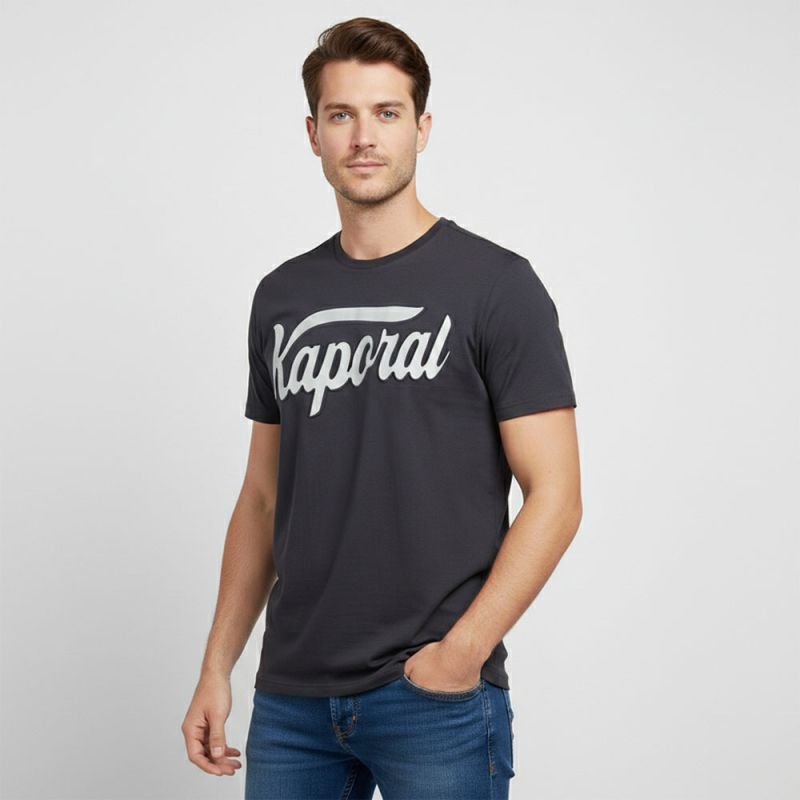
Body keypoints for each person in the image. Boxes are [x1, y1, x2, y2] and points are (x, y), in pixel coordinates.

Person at [181, 15, 582, 799]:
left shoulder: (497, 286)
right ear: (313, 133)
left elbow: (557, 496)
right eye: (342, 114)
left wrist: (462, 653)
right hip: (291, 701)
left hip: (432, 699)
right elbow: (262, 498)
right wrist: (215, 668)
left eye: (386, 113)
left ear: (421, 128)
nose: (364, 137)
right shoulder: (282, 297)